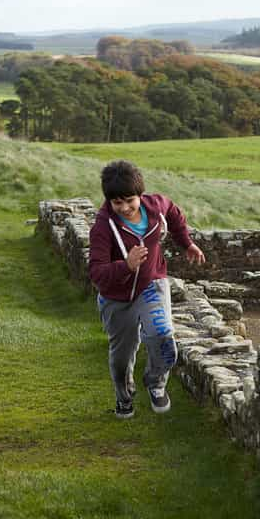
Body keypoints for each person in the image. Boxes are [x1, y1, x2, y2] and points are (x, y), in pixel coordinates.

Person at [89, 160, 206, 419]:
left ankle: (155, 382)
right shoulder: (102, 227)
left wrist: (186, 243)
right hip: (116, 298)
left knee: (164, 338)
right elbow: (97, 274)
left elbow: (175, 214)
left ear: (140, 195)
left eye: (130, 200)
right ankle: (124, 398)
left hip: (151, 285)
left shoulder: (156, 206)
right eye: (117, 203)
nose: (125, 208)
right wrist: (126, 266)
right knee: (121, 359)